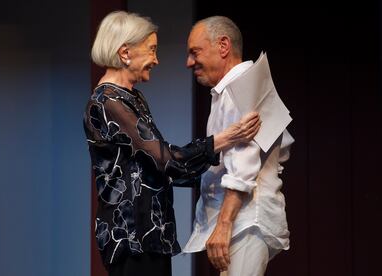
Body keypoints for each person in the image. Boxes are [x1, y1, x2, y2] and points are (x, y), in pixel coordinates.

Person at [83, 11, 261, 276]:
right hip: (132, 236)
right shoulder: (109, 102)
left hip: (151, 235)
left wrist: (223, 173)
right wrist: (227, 138)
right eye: (152, 50)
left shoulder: (133, 98)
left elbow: (159, 169)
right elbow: (166, 161)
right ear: (124, 53)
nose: (156, 59)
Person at [183, 16, 294, 276]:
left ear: (223, 46)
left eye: (194, 52)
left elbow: (243, 167)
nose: (189, 62)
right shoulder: (234, 89)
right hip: (243, 220)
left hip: (245, 221)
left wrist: (224, 224)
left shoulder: (239, 87)